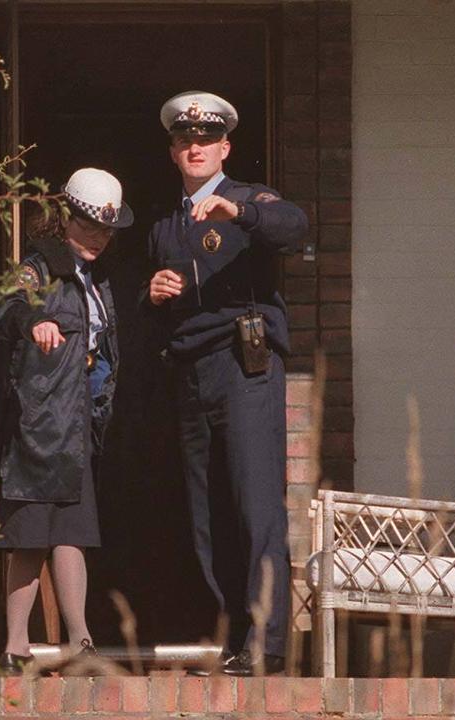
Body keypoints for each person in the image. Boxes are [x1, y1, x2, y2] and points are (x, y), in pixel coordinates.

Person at [145, 91, 308, 676]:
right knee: (208, 514)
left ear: (224, 148)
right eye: (185, 140)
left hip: (246, 368)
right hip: (193, 373)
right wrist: (154, 295)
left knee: (255, 506)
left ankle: (268, 645)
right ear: (173, 150)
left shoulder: (247, 199)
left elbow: (294, 226)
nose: (196, 146)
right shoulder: (165, 224)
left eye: (206, 139)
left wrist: (238, 214)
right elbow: (163, 311)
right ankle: (239, 639)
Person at [0, 167, 132, 675]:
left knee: (72, 533)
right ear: (67, 218)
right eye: (90, 226)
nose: (99, 238)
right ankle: (16, 644)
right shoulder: (39, 266)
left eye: (106, 230)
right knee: (29, 537)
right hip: (37, 426)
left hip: (76, 426)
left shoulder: (98, 280)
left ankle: (81, 641)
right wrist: (34, 321)